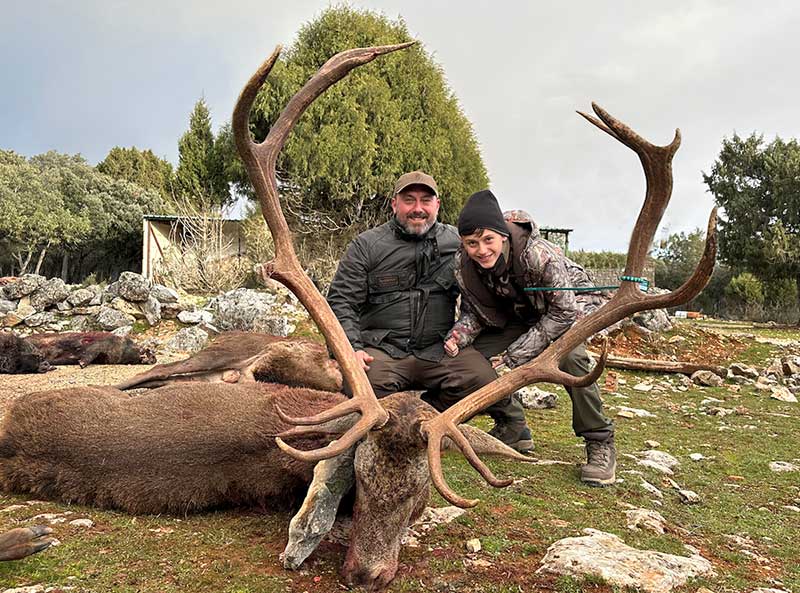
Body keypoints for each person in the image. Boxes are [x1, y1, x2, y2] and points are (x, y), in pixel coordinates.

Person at [327, 172, 533, 452]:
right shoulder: (366, 246)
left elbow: (490, 282)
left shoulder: (461, 244)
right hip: (383, 349)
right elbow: (341, 302)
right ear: (394, 204)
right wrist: (350, 348)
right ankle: (414, 420)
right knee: (360, 388)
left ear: (437, 204)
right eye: (408, 200)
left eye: (425, 200)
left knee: (480, 379)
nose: (417, 208)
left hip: (438, 348)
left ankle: (426, 418)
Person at [443, 189, 616, 486]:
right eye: (472, 243)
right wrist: (458, 336)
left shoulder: (539, 255)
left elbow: (563, 311)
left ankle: (599, 441)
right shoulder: (464, 265)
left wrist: (514, 356)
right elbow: (475, 312)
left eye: (488, 240)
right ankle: (513, 425)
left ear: (503, 236)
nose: (481, 250)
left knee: (572, 360)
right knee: (469, 360)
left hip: (568, 314)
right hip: (519, 318)